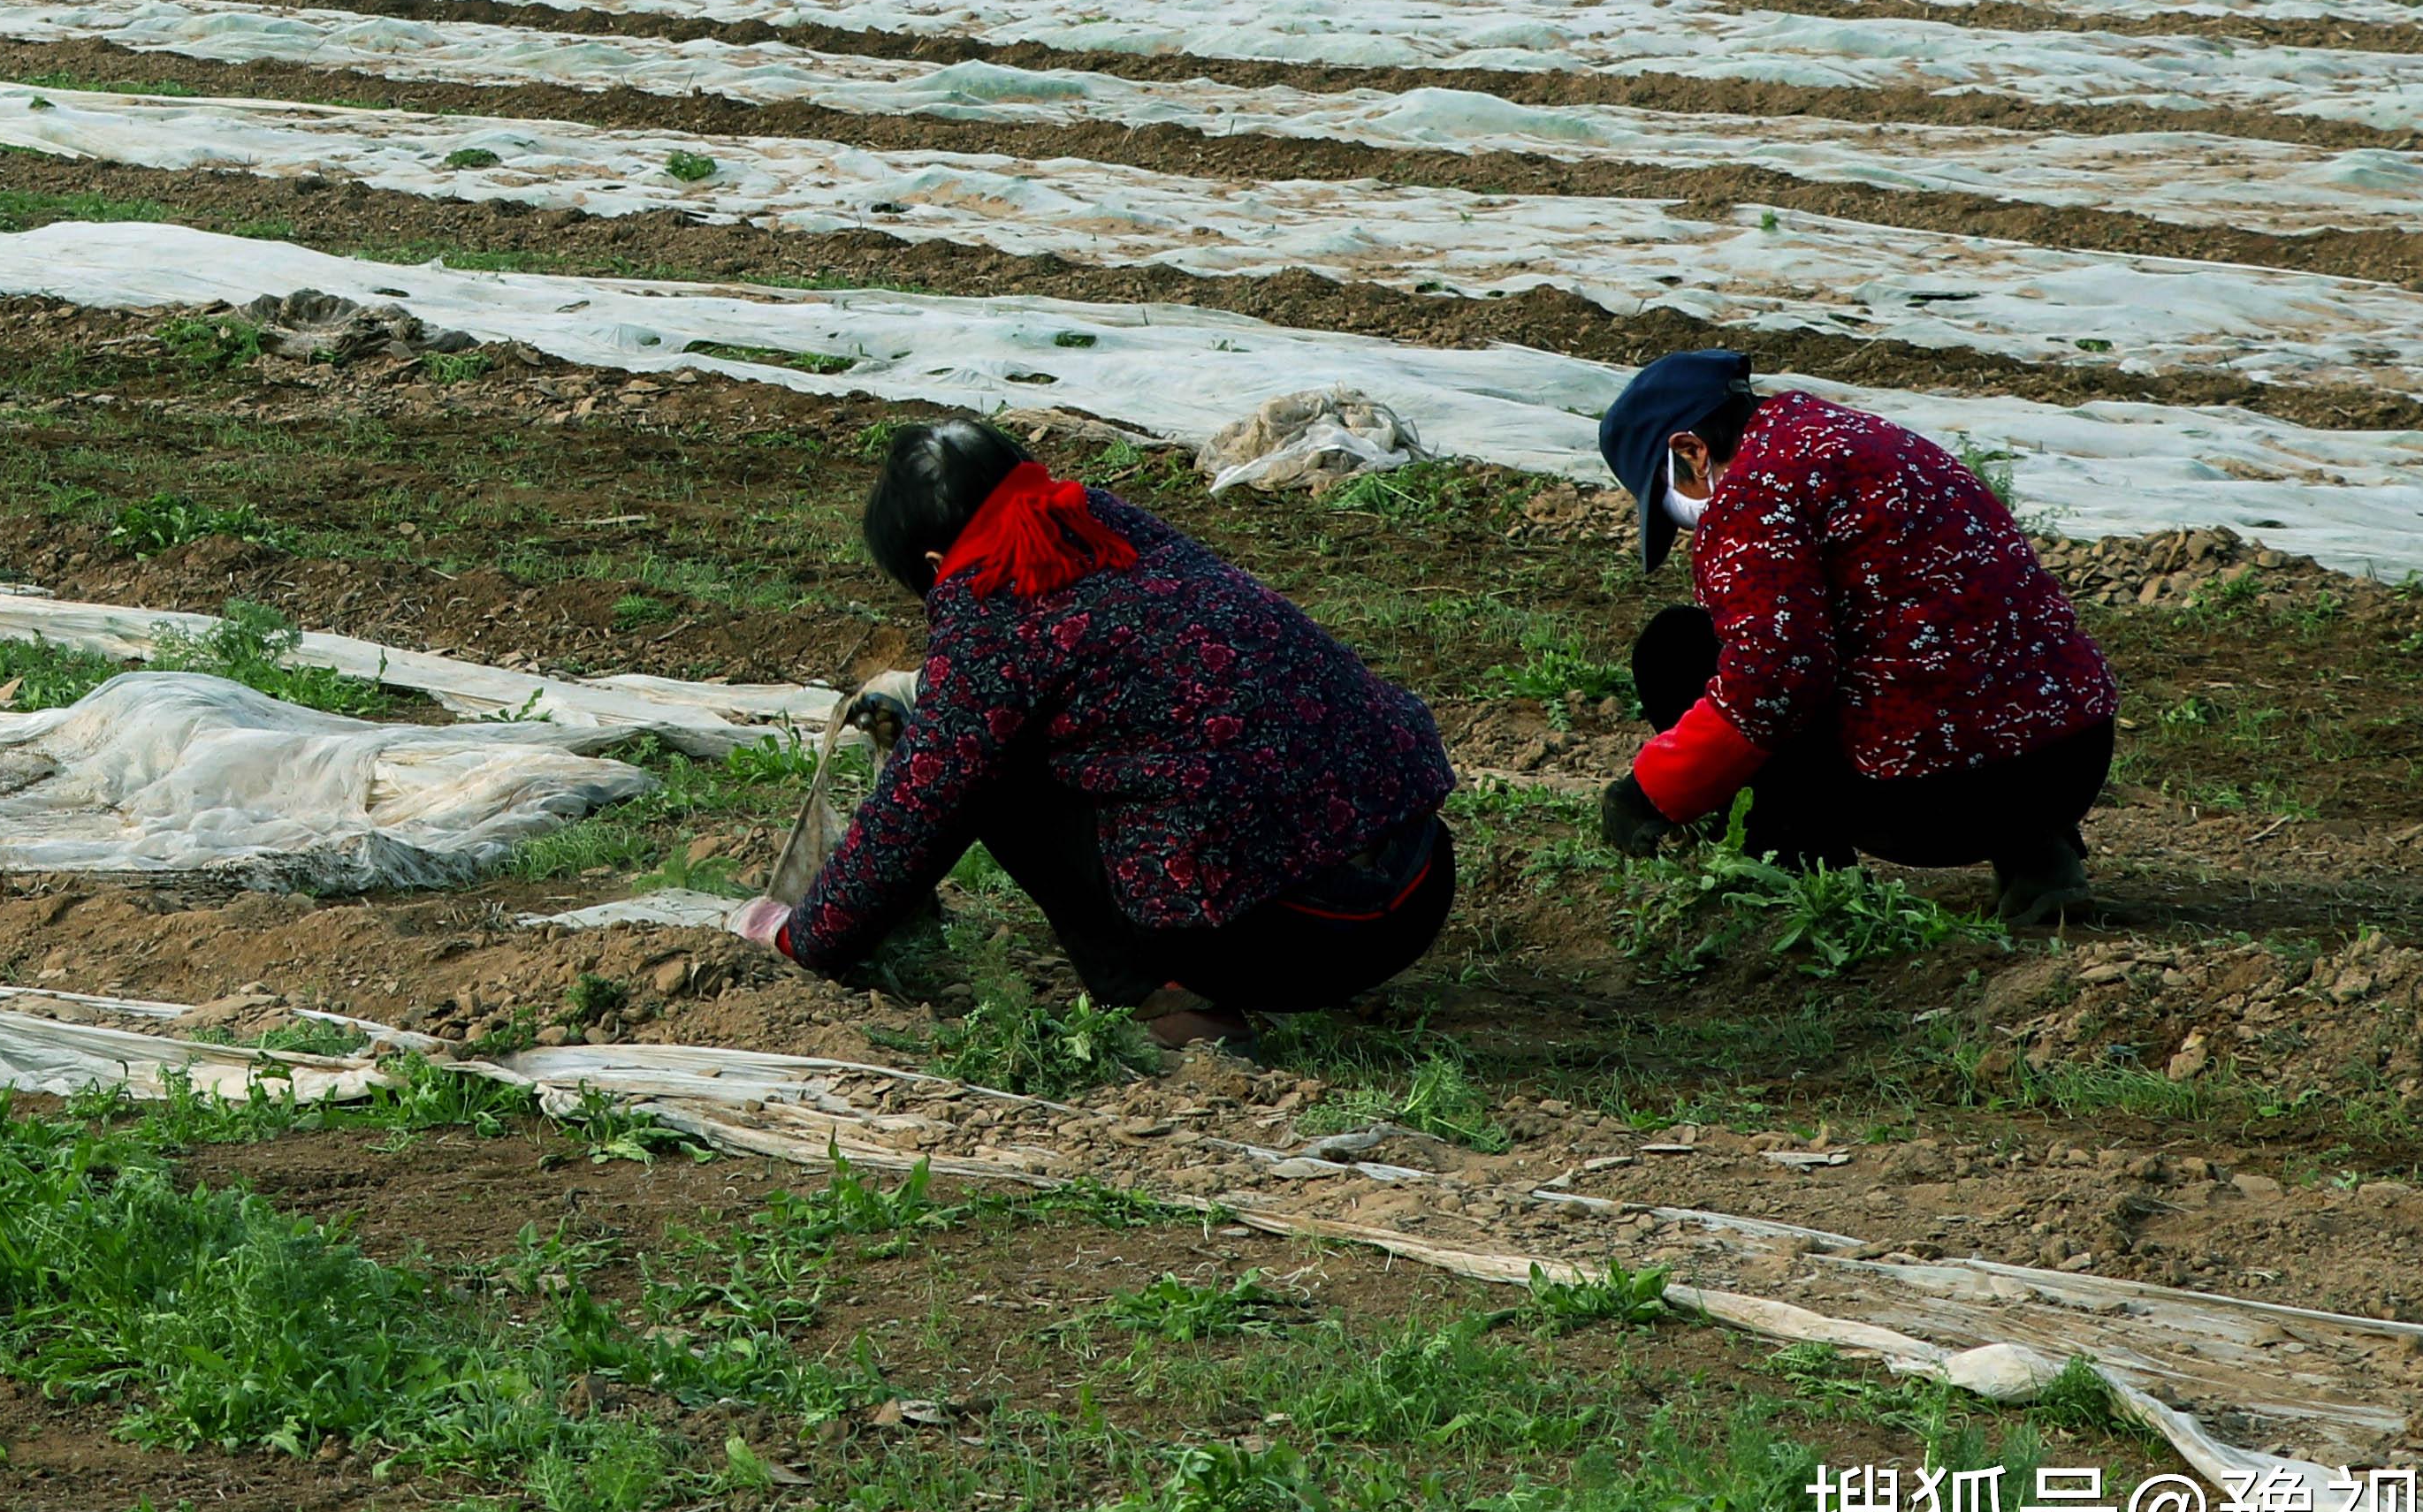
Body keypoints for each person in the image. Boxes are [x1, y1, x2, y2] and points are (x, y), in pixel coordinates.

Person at [737, 417, 1458, 1047]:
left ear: (934, 564)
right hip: (1416, 885)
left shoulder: (991, 614)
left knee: (983, 771)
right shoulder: (1115, 531)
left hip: (1300, 938)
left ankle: (1166, 996)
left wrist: (804, 936)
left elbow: (917, 815)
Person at [1588, 350, 2114, 926]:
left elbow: (1776, 678)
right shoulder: (1867, 439)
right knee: (1931, 635)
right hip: (2074, 760)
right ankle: (2038, 855)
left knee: (1679, 647)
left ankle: (1795, 875)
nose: (1690, 523)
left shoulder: (1752, 491)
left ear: (1691, 451)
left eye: (1672, 504)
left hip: (1943, 800)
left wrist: (1651, 790)